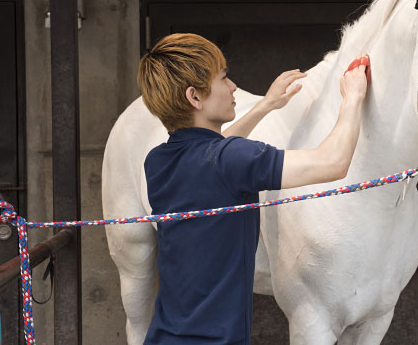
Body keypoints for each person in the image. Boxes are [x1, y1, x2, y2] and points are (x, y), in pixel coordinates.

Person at [137, 33, 369, 344]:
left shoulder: (159, 161)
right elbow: (332, 163)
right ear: (195, 97)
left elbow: (215, 153)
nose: (233, 86)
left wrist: (266, 106)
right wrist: (352, 97)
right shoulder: (230, 159)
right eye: (223, 78)